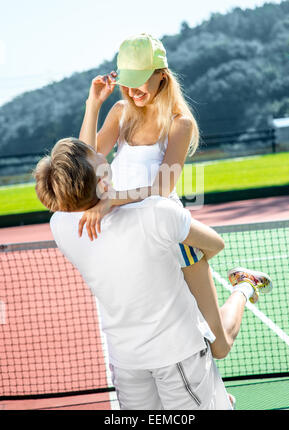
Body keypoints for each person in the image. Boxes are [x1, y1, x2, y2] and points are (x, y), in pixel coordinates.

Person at [34, 137, 272, 410]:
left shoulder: (60, 227)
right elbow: (216, 244)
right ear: (100, 181)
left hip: (125, 362)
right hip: (178, 354)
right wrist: (123, 199)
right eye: (95, 156)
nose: (103, 155)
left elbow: (71, 200)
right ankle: (243, 292)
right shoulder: (156, 213)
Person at [78, 32, 272, 358]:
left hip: (172, 234)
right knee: (171, 338)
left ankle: (243, 286)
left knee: (218, 346)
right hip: (133, 239)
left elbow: (162, 188)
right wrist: (93, 104)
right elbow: (85, 158)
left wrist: (111, 199)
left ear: (161, 76)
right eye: (128, 82)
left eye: (141, 80)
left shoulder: (179, 124)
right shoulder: (119, 112)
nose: (134, 89)